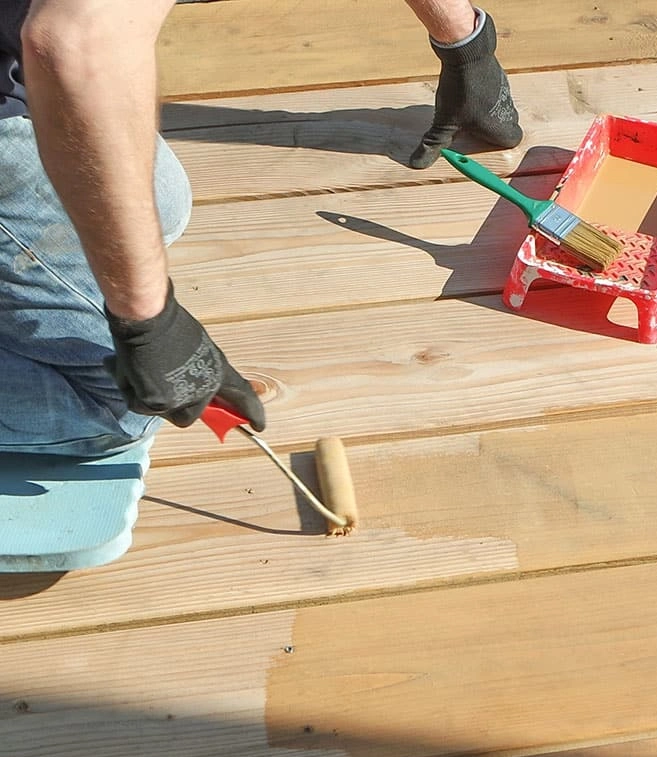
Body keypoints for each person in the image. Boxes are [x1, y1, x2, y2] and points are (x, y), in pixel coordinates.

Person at [0, 0, 521, 457]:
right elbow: (73, 40)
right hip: (46, 49)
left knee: (158, 204)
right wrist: (147, 321)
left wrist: (465, 44)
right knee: (114, 407)